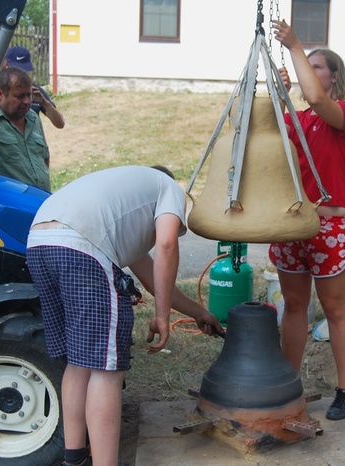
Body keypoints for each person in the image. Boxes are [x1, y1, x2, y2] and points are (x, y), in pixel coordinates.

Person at [26, 165, 225, 466]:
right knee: (106, 370)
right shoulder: (168, 187)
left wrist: (199, 313)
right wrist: (161, 316)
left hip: (40, 242)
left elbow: (154, 280)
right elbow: (167, 243)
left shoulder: (120, 205)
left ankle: (74, 459)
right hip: (82, 245)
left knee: (79, 362)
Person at [268, 19, 345, 421]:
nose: (310, 69)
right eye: (310, 64)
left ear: (334, 76)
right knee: (294, 306)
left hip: (330, 226)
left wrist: (295, 47)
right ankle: (289, 386)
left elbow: (318, 99)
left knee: (335, 309)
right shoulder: (300, 120)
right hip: (293, 225)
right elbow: (269, 128)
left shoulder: (344, 115)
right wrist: (281, 94)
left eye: (317, 65)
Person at [0, 46, 65, 129]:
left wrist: (44, 103)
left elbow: (60, 124)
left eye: (24, 70)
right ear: (6, 65)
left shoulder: (35, 91)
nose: (20, 75)